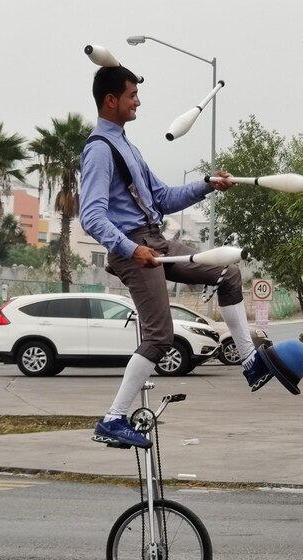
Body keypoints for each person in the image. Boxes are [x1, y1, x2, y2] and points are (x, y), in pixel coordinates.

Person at [79, 65, 274, 450]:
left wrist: (207, 186)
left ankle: (250, 363)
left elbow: (163, 198)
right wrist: (133, 249)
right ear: (111, 100)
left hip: (157, 240)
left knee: (227, 275)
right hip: (134, 248)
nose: (138, 101)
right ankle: (113, 418)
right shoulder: (100, 150)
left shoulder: (126, 146)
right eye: (132, 95)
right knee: (160, 336)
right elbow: (91, 215)